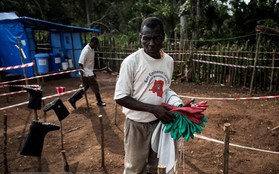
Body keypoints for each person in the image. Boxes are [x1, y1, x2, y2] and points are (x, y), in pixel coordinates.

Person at [114, 17, 177, 174]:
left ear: (163, 36)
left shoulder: (168, 61)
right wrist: (153, 109)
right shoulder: (131, 62)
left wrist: (177, 104)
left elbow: (165, 89)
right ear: (140, 36)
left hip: (160, 124)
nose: (151, 43)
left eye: (156, 38)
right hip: (136, 126)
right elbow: (120, 97)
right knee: (134, 169)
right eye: (146, 38)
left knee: (156, 167)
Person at [68, 36, 106, 109]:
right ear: (92, 43)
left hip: (89, 71)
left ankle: (73, 99)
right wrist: (82, 76)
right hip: (86, 73)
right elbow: (80, 63)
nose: (96, 46)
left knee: (85, 87)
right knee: (95, 86)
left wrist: (93, 71)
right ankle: (99, 101)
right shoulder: (85, 51)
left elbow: (90, 62)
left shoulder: (92, 49)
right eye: (95, 45)